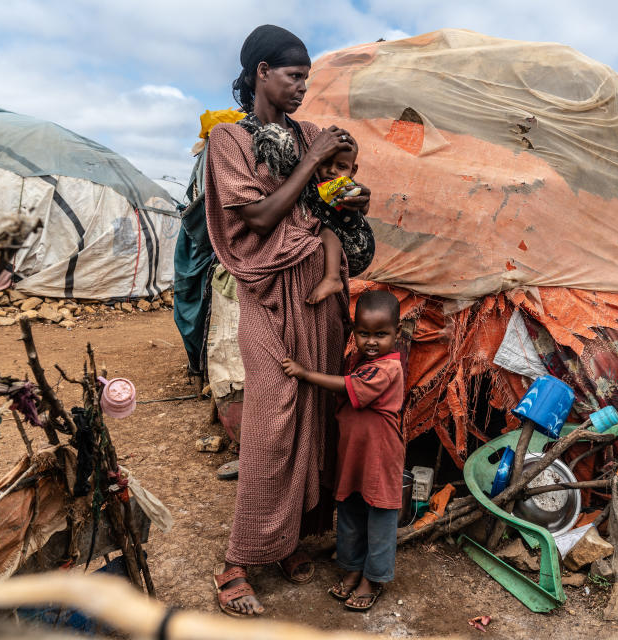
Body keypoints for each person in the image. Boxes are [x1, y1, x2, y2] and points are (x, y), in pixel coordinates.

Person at [206, 25, 371, 617]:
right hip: (270, 292)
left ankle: (286, 542)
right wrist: (313, 161)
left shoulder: (306, 135)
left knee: (314, 417)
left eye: (305, 77)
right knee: (273, 420)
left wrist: (348, 196)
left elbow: (323, 200)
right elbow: (259, 216)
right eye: (292, 75)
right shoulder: (230, 140)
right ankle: (237, 562)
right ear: (260, 73)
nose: (302, 86)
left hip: (318, 292)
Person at [281, 290, 405, 612]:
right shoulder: (359, 361)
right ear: (354, 331)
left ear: (397, 334)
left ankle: (373, 578)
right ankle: (352, 569)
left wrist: (306, 373)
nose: (372, 342)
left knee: (379, 517)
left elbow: (351, 388)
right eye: (364, 333)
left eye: (381, 334)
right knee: (349, 511)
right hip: (353, 455)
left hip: (379, 457)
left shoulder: (388, 368)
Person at [306, 142, 360, 305]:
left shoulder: (343, 186)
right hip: (346, 250)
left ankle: (332, 278)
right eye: (326, 163)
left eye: (341, 166)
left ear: (353, 170)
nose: (332, 170)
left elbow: (361, 201)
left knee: (327, 230)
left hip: (354, 244)